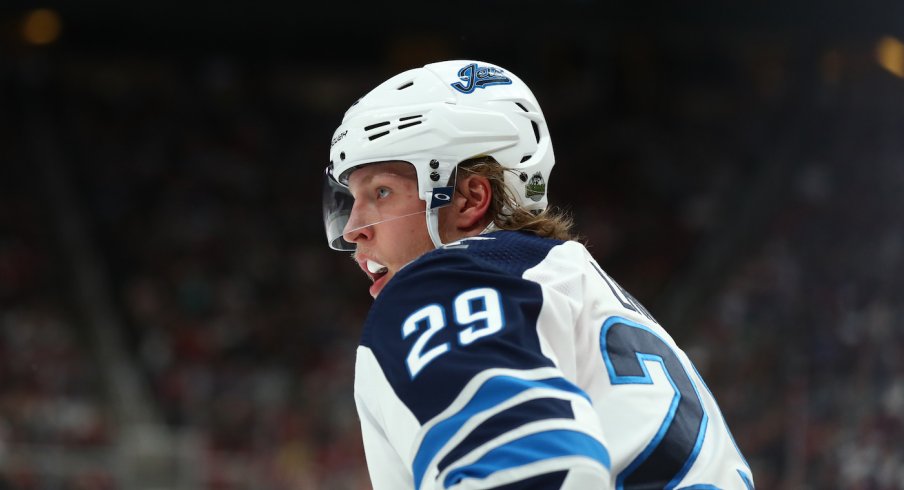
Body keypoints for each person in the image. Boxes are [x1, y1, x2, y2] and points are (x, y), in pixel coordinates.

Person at [322, 60, 754, 490]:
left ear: (470, 200)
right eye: (352, 199)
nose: (352, 228)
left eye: (381, 192)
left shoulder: (442, 283)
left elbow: (535, 473)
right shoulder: (568, 283)